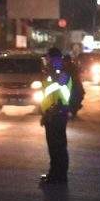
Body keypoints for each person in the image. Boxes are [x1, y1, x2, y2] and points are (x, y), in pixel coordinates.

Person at [39, 48, 73, 186]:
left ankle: (58, 176)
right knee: (54, 147)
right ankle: (55, 174)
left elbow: (59, 92)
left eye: (48, 58)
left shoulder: (59, 72)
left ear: (53, 58)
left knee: (57, 147)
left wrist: (51, 112)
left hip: (57, 114)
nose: (46, 61)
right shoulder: (51, 72)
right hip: (51, 114)